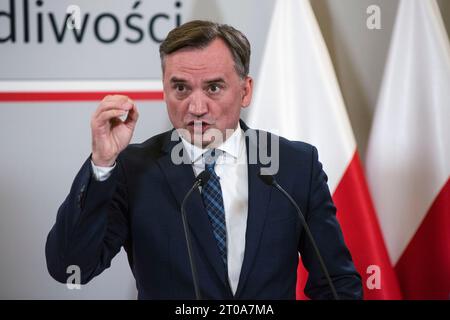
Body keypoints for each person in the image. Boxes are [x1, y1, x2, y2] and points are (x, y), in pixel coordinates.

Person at [45, 20, 363, 300]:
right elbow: (70, 267)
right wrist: (102, 163)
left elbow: (336, 283)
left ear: (245, 90)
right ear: (165, 90)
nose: (196, 107)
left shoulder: (294, 165)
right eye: (181, 88)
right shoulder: (133, 169)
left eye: (213, 87)